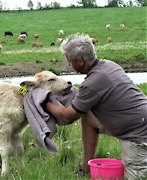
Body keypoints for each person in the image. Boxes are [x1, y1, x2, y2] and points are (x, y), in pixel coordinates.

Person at [45, 33, 147, 179]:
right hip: (139, 120)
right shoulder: (109, 65)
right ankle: (86, 167)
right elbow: (82, 110)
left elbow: (68, 117)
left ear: (79, 61)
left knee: (137, 176)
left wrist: (45, 102)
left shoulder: (93, 83)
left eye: (69, 60)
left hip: (138, 135)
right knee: (88, 116)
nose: (68, 64)